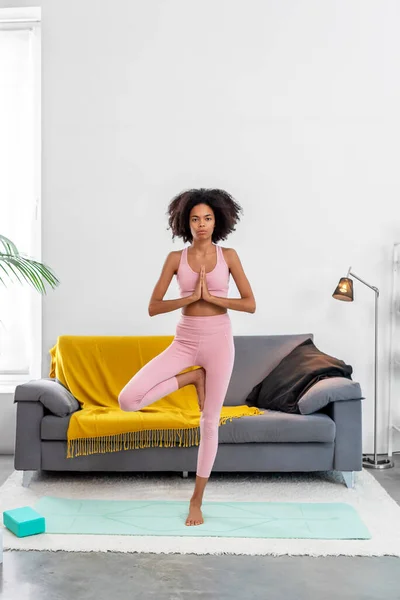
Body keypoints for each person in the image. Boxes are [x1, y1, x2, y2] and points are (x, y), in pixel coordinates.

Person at [118, 188, 256, 526]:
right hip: (185, 340)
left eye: (207, 218)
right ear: (185, 223)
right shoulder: (174, 259)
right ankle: (192, 377)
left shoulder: (230, 256)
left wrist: (214, 298)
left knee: (209, 423)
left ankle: (197, 500)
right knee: (127, 400)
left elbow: (250, 304)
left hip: (220, 341)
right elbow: (153, 308)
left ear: (217, 220)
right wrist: (190, 298)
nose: (202, 224)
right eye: (195, 219)